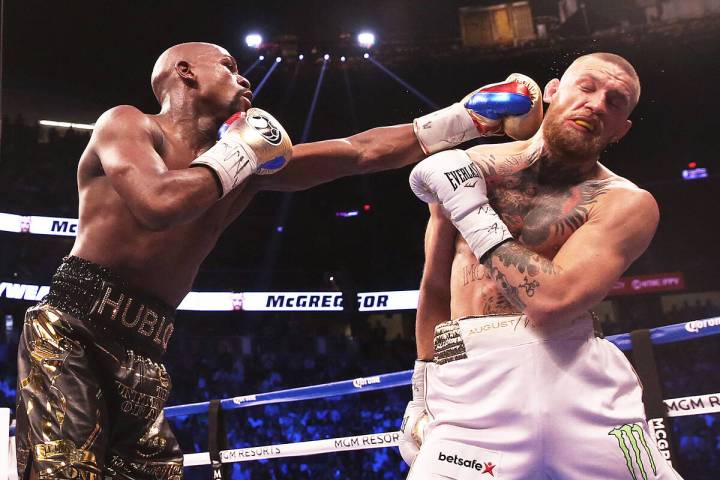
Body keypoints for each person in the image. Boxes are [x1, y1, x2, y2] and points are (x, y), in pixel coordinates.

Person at [15, 41, 542, 479]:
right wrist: (237, 153)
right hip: (74, 329)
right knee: (64, 470)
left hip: (148, 346)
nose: (245, 82)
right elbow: (158, 204)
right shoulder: (129, 125)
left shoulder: (251, 164)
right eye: (228, 67)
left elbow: (359, 150)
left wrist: (466, 117)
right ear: (184, 73)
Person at [401, 52, 683, 479]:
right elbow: (436, 285)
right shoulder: (473, 168)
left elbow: (552, 300)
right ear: (553, 91)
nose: (597, 103)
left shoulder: (624, 201)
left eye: (615, 101)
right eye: (586, 87)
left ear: (621, 129)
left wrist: (469, 204)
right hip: (468, 389)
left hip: (578, 385)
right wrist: (422, 388)